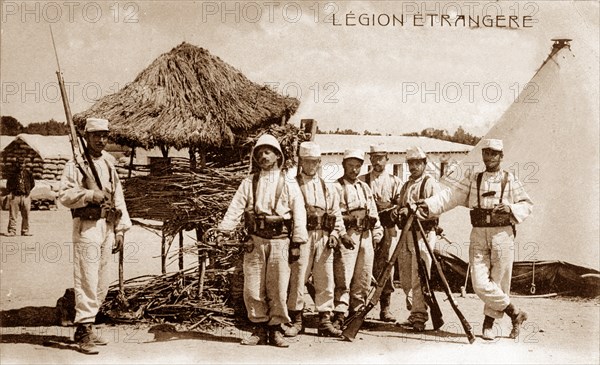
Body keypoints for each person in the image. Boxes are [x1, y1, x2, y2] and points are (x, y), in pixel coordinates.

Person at [418, 139, 532, 340]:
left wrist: (511, 208)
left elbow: (527, 204)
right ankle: (515, 313)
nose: (489, 157)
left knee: (499, 280)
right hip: (479, 232)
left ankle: (488, 324)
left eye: (494, 154)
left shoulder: (510, 180)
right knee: (479, 283)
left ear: (501, 156)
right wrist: (427, 205)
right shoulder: (474, 178)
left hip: (502, 233)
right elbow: (450, 196)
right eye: (486, 153)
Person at [217, 134, 307, 347]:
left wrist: (298, 241)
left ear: (277, 155)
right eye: (259, 154)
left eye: (267, 152)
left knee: (278, 285)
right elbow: (236, 207)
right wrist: (224, 230)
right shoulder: (249, 182)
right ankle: (258, 328)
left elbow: (299, 212)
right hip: (256, 240)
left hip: (281, 241)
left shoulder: (288, 182)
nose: (263, 157)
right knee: (253, 286)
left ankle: (275, 330)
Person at [58, 118, 132, 355]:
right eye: (96, 135)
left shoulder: (109, 163)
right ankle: (83, 329)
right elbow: (64, 195)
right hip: (87, 226)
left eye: (104, 135)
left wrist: (120, 229)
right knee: (87, 278)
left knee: (103, 280)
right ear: (87, 137)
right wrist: (89, 195)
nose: (100, 140)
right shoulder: (76, 163)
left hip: (107, 226)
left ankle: (88, 321)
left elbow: (118, 197)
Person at [285, 141, 345, 338]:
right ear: (300, 161)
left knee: (325, 278)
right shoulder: (291, 184)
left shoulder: (327, 185)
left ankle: (324, 320)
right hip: (303, 236)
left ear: (320, 162)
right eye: (307, 162)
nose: (311, 166)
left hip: (324, 236)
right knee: (298, 277)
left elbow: (335, 211)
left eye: (315, 162)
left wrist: (335, 234)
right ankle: (297, 319)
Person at [332, 149, 383, 329]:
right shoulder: (337, 187)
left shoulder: (364, 187)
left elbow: (373, 211)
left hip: (366, 236)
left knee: (364, 275)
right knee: (344, 275)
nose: (354, 170)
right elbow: (334, 214)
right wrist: (341, 233)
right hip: (349, 235)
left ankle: (357, 313)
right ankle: (339, 312)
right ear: (344, 165)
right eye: (351, 166)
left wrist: (377, 233)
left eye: (357, 166)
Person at [360, 144, 411, 322]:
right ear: (370, 159)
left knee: (386, 268)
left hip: (388, 229)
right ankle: (359, 308)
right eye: (374, 158)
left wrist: (394, 209)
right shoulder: (362, 180)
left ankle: (385, 308)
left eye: (380, 158)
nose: (377, 161)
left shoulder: (395, 182)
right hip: (366, 231)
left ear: (387, 159)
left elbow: (401, 204)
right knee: (364, 267)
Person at [396, 146, 441, 332]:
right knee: (405, 278)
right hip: (406, 234)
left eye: (417, 163)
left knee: (419, 276)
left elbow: (436, 209)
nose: (413, 167)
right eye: (411, 163)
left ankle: (419, 317)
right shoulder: (406, 185)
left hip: (423, 235)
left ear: (424, 163)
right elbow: (400, 207)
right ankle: (415, 311)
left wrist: (412, 209)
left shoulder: (430, 183)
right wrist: (398, 212)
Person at [5, 159, 35, 236]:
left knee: (26, 215)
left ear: (25, 164)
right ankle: (12, 231)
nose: (21, 165)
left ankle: (25, 231)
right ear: (17, 164)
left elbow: (32, 184)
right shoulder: (12, 173)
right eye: (19, 164)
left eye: (22, 164)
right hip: (15, 196)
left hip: (25, 196)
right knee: (13, 215)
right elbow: (8, 184)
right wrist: (12, 192)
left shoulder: (28, 173)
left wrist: (27, 191)